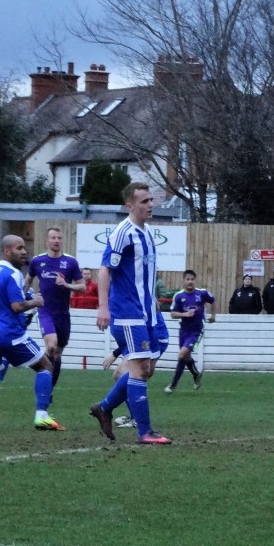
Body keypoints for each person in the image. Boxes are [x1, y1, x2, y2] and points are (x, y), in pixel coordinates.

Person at [87, 182, 171, 444]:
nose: (150, 205)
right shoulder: (123, 232)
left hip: (147, 312)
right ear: (129, 205)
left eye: (151, 200)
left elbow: (143, 274)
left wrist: (153, 300)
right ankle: (144, 432)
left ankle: (104, 407)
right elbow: (105, 269)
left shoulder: (146, 232)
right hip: (127, 312)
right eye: (144, 201)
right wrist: (103, 306)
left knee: (146, 369)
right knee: (138, 369)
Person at [0, 235, 64, 431]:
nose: (24, 252)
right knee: (45, 366)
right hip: (9, 334)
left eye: (24, 248)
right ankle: (42, 417)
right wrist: (34, 302)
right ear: (7, 251)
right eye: (19, 248)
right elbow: (17, 306)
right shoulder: (12, 274)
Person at [23, 226, 85, 394]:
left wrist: (66, 284)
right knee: (51, 346)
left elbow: (82, 287)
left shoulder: (70, 262)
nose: (56, 240)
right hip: (45, 311)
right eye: (53, 238)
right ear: (47, 241)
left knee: (57, 354)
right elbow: (27, 281)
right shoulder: (37, 261)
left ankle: (48, 389)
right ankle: (44, 383)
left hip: (63, 314)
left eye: (59, 238)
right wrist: (21, 300)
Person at [165, 269, 215, 393]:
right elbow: (173, 314)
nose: (190, 281)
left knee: (182, 354)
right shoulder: (179, 296)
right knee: (184, 356)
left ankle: (172, 384)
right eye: (187, 279)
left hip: (197, 330)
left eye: (192, 279)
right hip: (183, 330)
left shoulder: (201, 293)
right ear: (183, 281)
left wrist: (213, 316)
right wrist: (185, 314)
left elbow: (213, 300)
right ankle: (196, 374)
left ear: (195, 280)